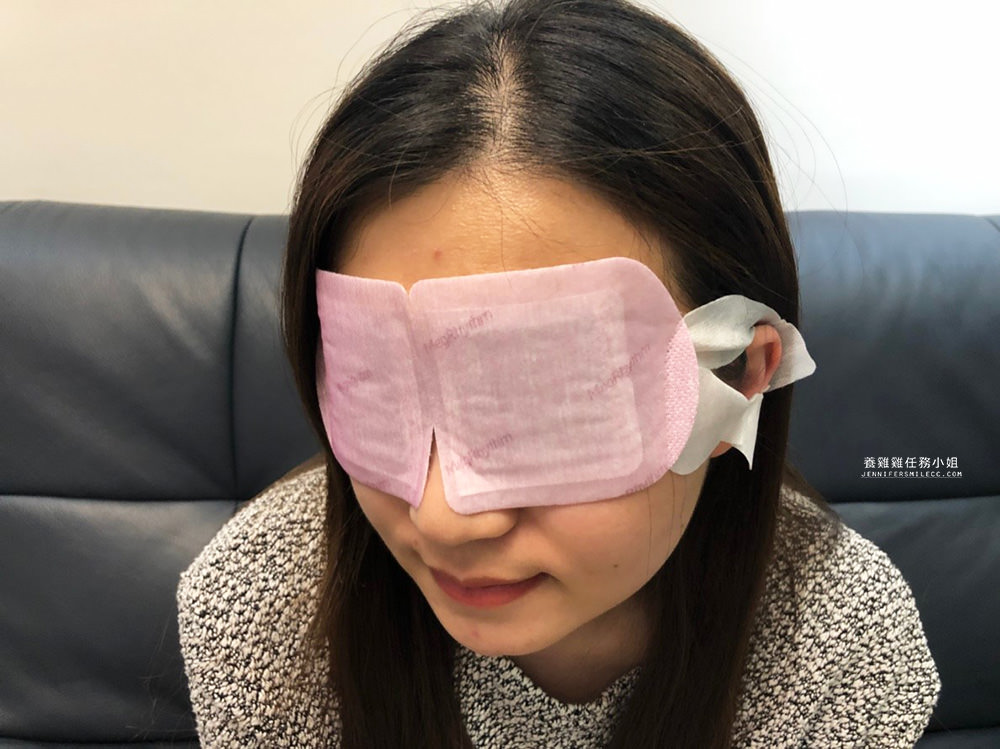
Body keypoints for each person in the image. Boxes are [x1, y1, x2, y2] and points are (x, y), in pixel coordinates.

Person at [176, 0, 940, 746]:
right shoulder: (259, 601)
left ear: (736, 378)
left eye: (548, 402)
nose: (441, 518)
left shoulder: (840, 646)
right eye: (373, 384)